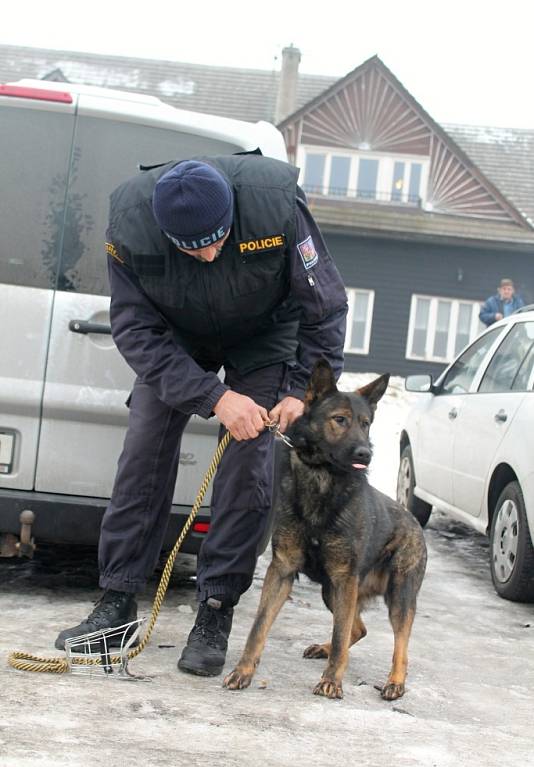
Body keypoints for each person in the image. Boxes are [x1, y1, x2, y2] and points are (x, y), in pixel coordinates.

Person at [55, 152, 348, 677]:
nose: (209, 255)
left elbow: (324, 307)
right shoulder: (129, 228)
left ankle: (215, 609)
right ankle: (117, 600)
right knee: (143, 449)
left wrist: (302, 391)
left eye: (215, 240)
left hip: (263, 337)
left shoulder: (276, 206)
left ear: (231, 215)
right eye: (190, 248)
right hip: (176, 336)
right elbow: (135, 330)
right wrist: (212, 397)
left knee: (247, 462)